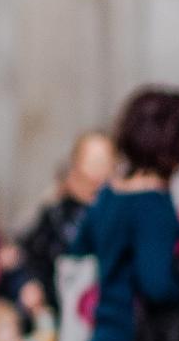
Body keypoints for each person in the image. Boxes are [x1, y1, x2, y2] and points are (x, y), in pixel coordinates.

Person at [70, 88, 179, 341]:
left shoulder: (108, 194)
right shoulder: (151, 202)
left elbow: (78, 251)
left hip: (102, 339)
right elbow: (156, 284)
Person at [11, 132, 117, 316]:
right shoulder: (56, 213)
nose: (96, 171)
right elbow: (33, 256)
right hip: (62, 308)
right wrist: (33, 284)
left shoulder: (119, 211)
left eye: (103, 162)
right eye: (91, 162)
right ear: (76, 166)